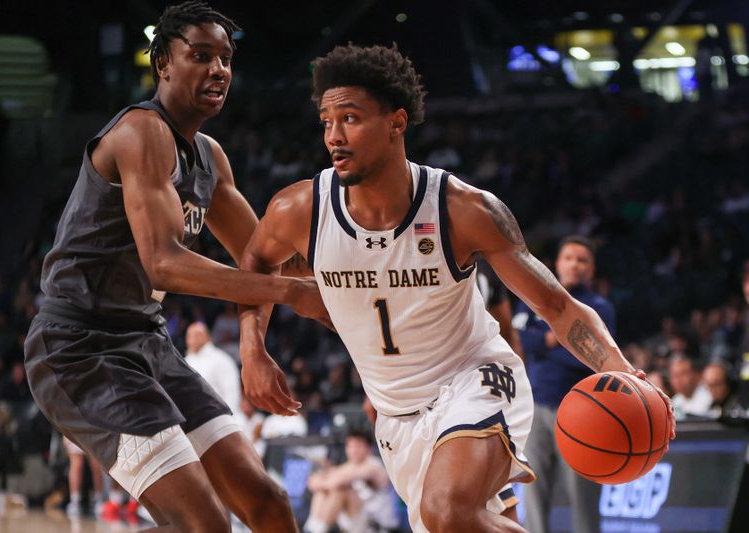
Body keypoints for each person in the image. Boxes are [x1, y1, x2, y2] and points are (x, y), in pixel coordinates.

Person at [238, 43, 676, 533]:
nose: (334, 136)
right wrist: (252, 349)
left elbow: (555, 304)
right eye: (326, 121)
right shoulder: (300, 210)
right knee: (456, 523)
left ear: (397, 123)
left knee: (448, 513)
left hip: (474, 379)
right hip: (395, 412)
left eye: (350, 118)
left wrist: (619, 367)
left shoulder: (462, 209)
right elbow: (255, 261)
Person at [23, 3, 328, 532]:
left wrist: (355, 267)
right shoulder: (140, 131)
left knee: (268, 503)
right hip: (80, 347)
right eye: (201, 56)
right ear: (163, 63)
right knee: (205, 524)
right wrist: (289, 292)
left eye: (226, 59)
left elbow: (264, 257)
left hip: (146, 342)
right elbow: (163, 263)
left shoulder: (210, 156)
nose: (219, 70)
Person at [514, 235, 614, 533]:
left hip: (581, 414)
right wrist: (564, 339)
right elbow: (520, 339)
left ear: (592, 269)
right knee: (533, 492)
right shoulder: (534, 299)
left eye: (582, 260)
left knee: (583, 496)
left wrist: (544, 342)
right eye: (569, 258)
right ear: (557, 264)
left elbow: (590, 360)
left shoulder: (600, 307)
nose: (575, 265)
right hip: (536, 407)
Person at [304, 428, 399, 533]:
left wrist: (323, 480)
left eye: (358, 446)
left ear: (369, 448)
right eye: (350, 446)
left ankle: (315, 530)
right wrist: (321, 481)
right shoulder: (346, 467)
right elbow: (312, 482)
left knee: (342, 490)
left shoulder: (374, 466)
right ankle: (312, 529)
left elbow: (339, 480)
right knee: (322, 492)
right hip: (355, 527)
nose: (353, 450)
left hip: (377, 527)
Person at [185, 321, 241, 415]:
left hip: (216, 417)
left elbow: (231, 392)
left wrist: (230, 418)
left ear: (208, 337)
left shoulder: (221, 359)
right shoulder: (185, 361)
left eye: (197, 335)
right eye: (189, 335)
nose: (193, 339)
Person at [63, 436, 104, 517]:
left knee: (96, 466)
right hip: (75, 427)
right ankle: (75, 502)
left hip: (95, 428)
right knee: (76, 465)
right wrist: (65, 434)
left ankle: (99, 500)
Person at [669, 353, 712, 419]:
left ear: (697, 375)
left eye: (683, 374)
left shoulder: (710, 397)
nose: (678, 380)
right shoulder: (676, 400)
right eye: (675, 376)